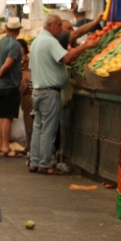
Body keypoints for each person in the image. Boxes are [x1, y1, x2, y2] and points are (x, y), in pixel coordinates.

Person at [28, 14, 97, 174]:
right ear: (50, 25)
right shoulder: (50, 41)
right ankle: (45, 164)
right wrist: (85, 46)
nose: (60, 29)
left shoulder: (37, 41)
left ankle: (35, 162)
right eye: (59, 25)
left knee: (38, 127)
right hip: (49, 93)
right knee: (48, 129)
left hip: (38, 91)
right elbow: (66, 58)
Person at [0, 17, 24, 158]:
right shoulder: (14, 45)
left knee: (1, 117)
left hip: (0, 87)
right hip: (10, 85)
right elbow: (8, 64)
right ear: (18, 30)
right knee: (7, 117)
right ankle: (5, 146)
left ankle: (1, 146)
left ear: (7, 29)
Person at [18, 38, 33, 153]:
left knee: (29, 121)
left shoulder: (25, 61)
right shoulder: (19, 60)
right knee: (27, 120)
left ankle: (29, 146)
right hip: (27, 94)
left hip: (28, 94)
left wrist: (20, 92)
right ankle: (28, 145)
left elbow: (26, 79)